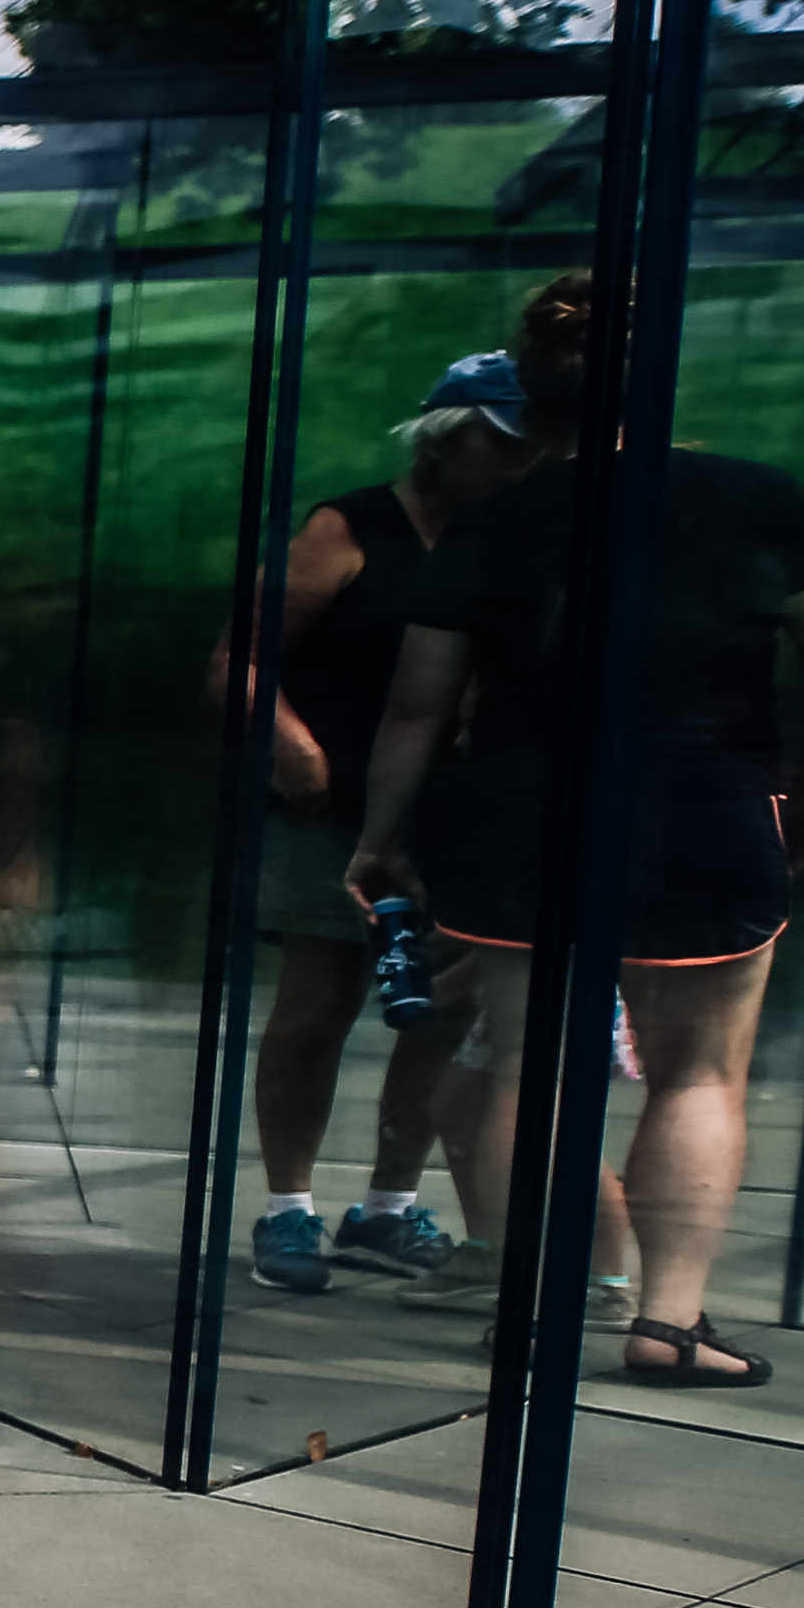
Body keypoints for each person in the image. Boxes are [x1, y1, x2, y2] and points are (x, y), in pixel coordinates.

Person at [349, 277, 804, 1387]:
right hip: (706, 805)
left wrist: (381, 834)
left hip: (524, 816)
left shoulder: (498, 519)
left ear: (535, 393)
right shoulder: (761, 499)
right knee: (698, 1072)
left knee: (530, 1069)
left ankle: (534, 1309)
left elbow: (417, 705)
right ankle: (669, 1324)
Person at [227, 383, 526, 1296]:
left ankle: (389, 1207)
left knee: (440, 1012)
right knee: (316, 1005)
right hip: (333, 810)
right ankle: (287, 1206)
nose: (517, 460)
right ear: (441, 439)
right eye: (498, 440)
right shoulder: (348, 528)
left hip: (454, 816)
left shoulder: (510, 537)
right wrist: (287, 743)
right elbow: (238, 659)